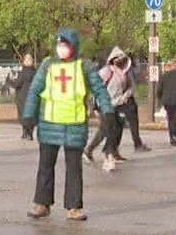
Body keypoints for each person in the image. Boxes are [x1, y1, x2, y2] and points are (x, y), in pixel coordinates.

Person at [19, 27, 112, 222]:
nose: (61, 48)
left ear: (73, 46)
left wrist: (107, 109)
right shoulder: (48, 65)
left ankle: (74, 207)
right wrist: (28, 116)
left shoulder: (84, 66)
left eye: (65, 44)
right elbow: (35, 90)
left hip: (74, 125)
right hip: (49, 123)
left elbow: (99, 89)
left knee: (74, 169)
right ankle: (41, 203)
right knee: (45, 166)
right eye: (59, 45)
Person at [88, 47, 134, 171]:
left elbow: (131, 87)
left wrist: (125, 96)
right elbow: (95, 87)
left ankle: (110, 152)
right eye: (118, 58)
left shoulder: (125, 73)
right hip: (105, 105)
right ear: (113, 60)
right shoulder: (106, 72)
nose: (121, 61)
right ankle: (107, 154)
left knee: (116, 127)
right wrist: (96, 104)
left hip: (119, 104)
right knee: (109, 129)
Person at [14, 53, 38, 141]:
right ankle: (30, 133)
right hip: (33, 96)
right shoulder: (35, 72)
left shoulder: (23, 73)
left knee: (23, 114)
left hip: (23, 96)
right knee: (32, 114)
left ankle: (25, 132)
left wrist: (11, 82)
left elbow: (18, 84)